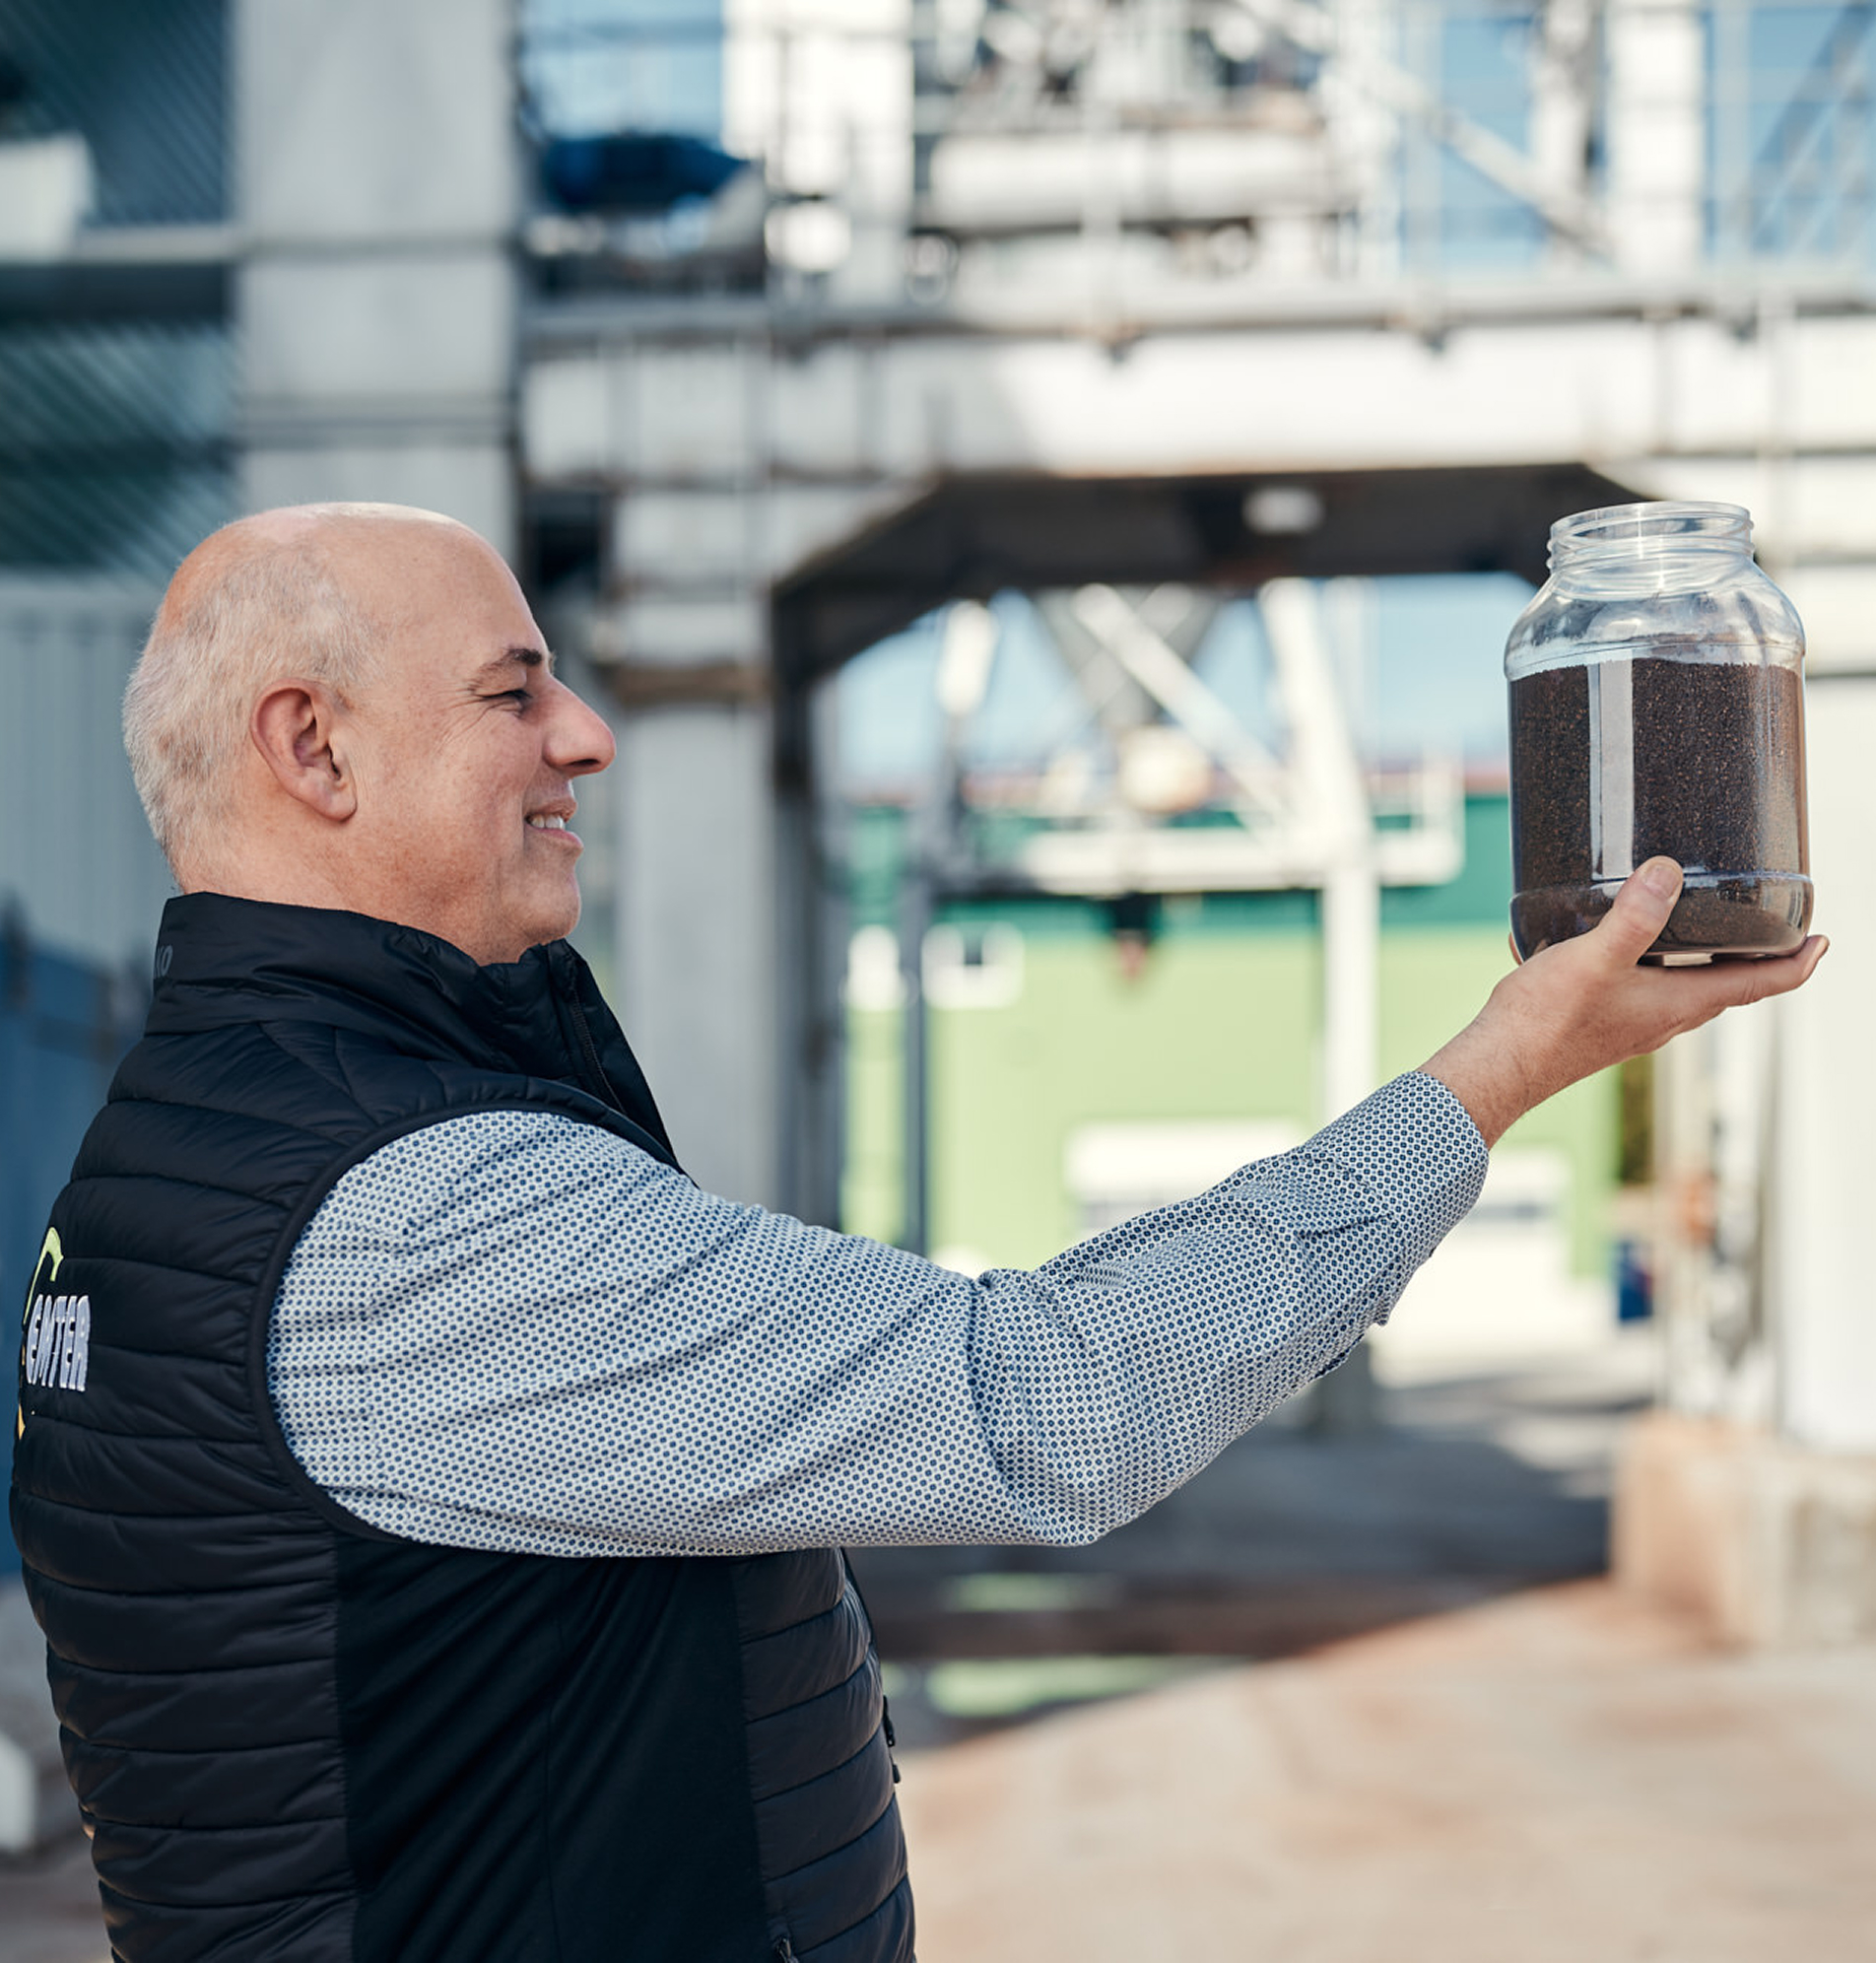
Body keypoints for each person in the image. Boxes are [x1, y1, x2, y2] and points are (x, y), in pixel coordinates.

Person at [11, 504, 1826, 1963]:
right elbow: (1054, 1402)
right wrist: (1503, 1068)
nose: (589, 732)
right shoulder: (409, 1220)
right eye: (512, 694)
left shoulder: (179, 1159)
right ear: (310, 747)